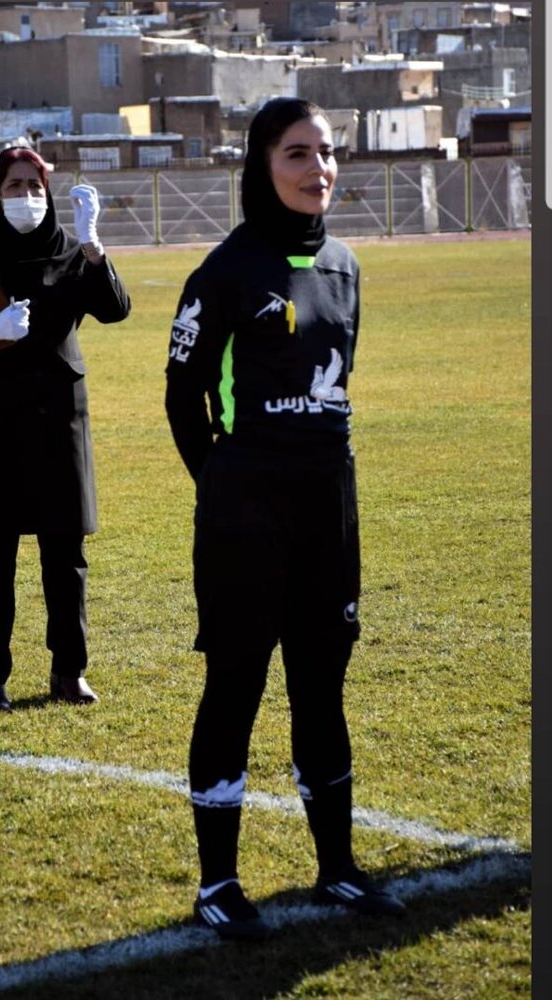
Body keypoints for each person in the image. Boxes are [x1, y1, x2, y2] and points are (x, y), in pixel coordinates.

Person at [165, 98, 406, 940]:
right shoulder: (225, 272)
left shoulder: (344, 264)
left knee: (321, 685)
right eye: (297, 153)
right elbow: (184, 396)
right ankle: (218, 885)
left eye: (326, 152)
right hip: (246, 512)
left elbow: (335, 384)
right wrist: (222, 483)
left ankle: (336, 869)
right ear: (261, 166)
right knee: (235, 684)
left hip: (328, 504)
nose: (318, 169)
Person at [0, 146, 131, 713]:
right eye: (14, 186)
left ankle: (69, 671)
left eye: (35, 187)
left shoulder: (72, 253)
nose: (26, 196)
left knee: (66, 553)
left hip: (62, 419)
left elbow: (115, 309)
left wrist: (94, 246)